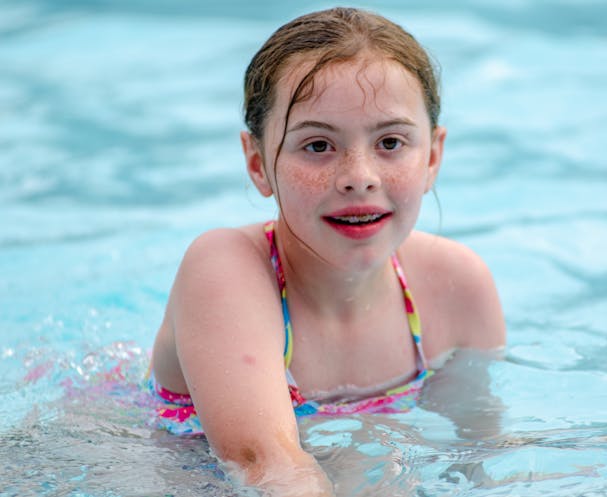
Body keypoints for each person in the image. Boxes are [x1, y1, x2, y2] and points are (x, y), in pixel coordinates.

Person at [149, 6, 505, 495]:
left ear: (433, 158)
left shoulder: (456, 284)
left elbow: (482, 463)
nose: (359, 175)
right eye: (317, 146)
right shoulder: (226, 269)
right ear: (258, 164)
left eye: (391, 141)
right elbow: (268, 466)